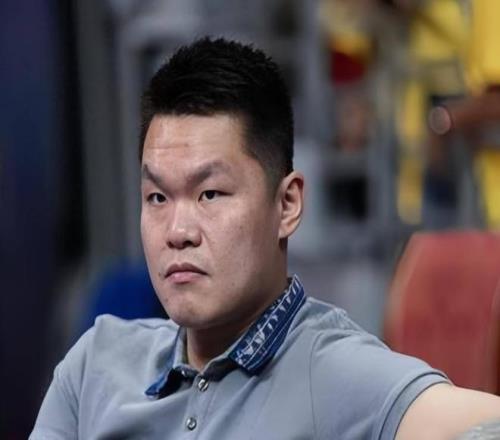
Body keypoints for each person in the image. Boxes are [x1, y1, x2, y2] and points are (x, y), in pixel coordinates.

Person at [30, 37, 500, 440]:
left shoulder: (337, 374)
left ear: (287, 205)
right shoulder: (96, 365)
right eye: (157, 198)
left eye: (210, 194)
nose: (177, 232)